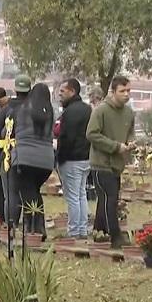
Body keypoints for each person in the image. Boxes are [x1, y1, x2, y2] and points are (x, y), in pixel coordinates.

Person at [86, 76, 135, 248]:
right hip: (101, 163)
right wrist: (115, 146)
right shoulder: (101, 111)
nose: (126, 94)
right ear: (113, 92)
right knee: (110, 199)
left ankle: (99, 231)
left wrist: (130, 142)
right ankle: (116, 237)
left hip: (117, 164)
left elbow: (130, 131)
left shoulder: (129, 112)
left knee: (106, 199)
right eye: (122, 91)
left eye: (128, 90)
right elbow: (91, 134)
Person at [8, 83, 55, 236]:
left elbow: (10, 131)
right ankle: (35, 226)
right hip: (46, 161)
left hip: (24, 159)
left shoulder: (21, 110)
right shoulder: (49, 112)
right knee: (33, 191)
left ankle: (34, 227)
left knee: (27, 193)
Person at [57, 79, 92, 239]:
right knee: (81, 195)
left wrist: (60, 158)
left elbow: (66, 137)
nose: (59, 94)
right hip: (86, 158)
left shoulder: (70, 112)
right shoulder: (87, 109)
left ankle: (74, 231)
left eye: (62, 91)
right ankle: (83, 229)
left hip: (71, 159)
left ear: (72, 91)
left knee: (72, 197)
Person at [0, 76, 31, 221]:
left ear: (15, 89)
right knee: (29, 193)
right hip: (29, 155)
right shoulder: (34, 109)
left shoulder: (7, 110)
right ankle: (30, 226)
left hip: (8, 155)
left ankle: (11, 226)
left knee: (10, 194)